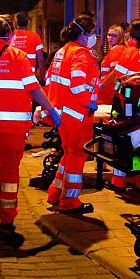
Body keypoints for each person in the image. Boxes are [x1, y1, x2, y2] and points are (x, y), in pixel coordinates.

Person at [0, 15, 59, 232]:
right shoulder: (18, 56)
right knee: (9, 172)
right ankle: (6, 219)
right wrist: (51, 110)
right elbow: (34, 89)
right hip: (13, 128)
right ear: (11, 34)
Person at [44, 12, 100, 214]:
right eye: (93, 32)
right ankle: (69, 202)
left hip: (62, 114)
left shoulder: (62, 51)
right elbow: (77, 84)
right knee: (77, 155)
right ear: (84, 34)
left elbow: (49, 80)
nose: (94, 37)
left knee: (68, 154)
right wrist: (89, 104)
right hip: (77, 115)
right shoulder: (80, 53)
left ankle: (55, 193)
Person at [103, 19, 140, 191]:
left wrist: (101, 86)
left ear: (132, 36)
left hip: (128, 104)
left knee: (122, 139)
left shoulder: (130, 52)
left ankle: (118, 182)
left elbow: (117, 75)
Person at [10, 11, 46, 83]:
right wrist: (42, 78)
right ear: (28, 22)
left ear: (16, 23)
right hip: (29, 76)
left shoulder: (10, 36)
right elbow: (41, 60)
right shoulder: (35, 36)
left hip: (12, 75)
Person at [97, 23, 128, 104]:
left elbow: (115, 73)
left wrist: (101, 85)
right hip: (111, 92)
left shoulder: (117, 50)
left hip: (109, 92)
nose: (110, 38)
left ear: (120, 38)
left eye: (114, 36)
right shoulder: (121, 49)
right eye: (109, 35)